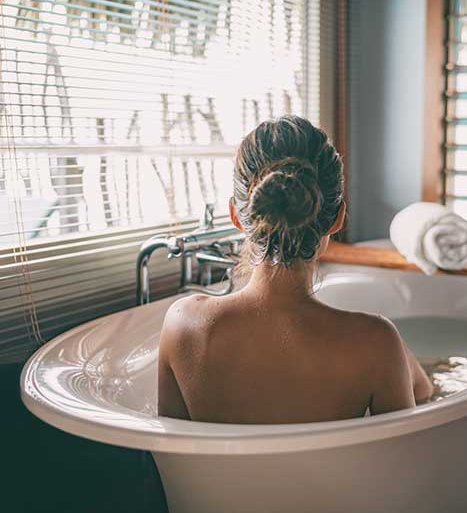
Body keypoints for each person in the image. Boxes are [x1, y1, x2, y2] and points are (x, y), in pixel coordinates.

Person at [158, 115, 433, 423]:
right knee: (423, 381)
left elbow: (170, 441)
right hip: (334, 473)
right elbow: (401, 458)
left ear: (236, 216)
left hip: (210, 474)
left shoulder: (182, 324)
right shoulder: (376, 341)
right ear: (338, 218)